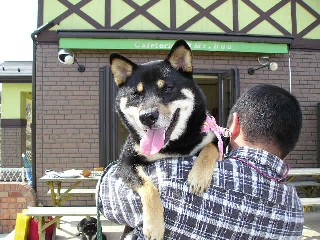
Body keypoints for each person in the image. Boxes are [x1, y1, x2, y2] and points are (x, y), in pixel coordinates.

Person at [97, 84, 304, 239]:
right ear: (289, 149)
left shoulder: (170, 177)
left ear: (235, 125)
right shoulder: (295, 213)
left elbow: (106, 197)